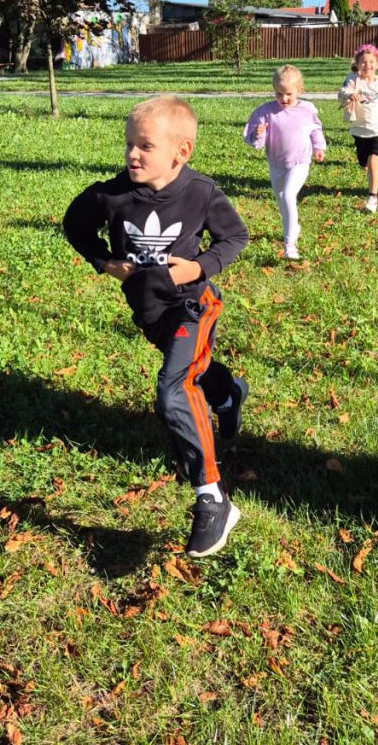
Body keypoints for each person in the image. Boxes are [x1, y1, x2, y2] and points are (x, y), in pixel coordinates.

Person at [63, 95, 249, 558]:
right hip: (149, 312)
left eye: (145, 146)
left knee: (174, 388)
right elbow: (74, 225)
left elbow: (235, 237)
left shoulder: (201, 192)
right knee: (196, 371)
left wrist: (198, 268)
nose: (132, 154)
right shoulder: (111, 195)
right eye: (129, 144)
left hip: (193, 305)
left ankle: (212, 497)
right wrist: (103, 262)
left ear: (180, 152)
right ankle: (228, 394)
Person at [243, 65, 327, 260]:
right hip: (276, 164)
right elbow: (254, 138)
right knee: (281, 199)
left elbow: (316, 128)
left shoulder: (306, 110)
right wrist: (257, 134)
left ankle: (290, 245)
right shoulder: (265, 112)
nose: (284, 99)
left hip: (300, 161)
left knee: (289, 195)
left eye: (288, 94)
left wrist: (319, 147)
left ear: (300, 90)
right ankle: (293, 225)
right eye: (279, 94)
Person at [337, 44, 378, 213]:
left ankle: (372, 198)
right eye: (364, 62)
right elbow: (342, 93)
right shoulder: (353, 80)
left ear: (377, 63)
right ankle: (365, 166)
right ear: (357, 64)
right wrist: (348, 95)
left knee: (374, 162)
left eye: (371, 62)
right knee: (363, 162)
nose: (368, 65)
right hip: (359, 129)